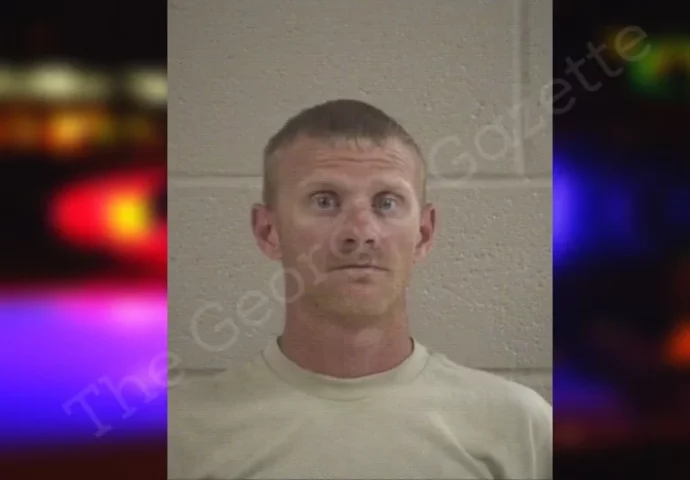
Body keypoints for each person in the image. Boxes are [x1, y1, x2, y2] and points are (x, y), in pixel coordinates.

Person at [168, 99, 552, 479]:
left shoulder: (520, 428)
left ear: (423, 233)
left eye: (387, 203)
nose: (360, 232)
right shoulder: (182, 434)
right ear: (268, 231)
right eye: (324, 201)